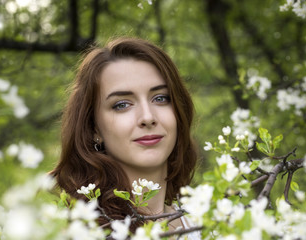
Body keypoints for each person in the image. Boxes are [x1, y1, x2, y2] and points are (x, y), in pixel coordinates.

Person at [50, 37, 199, 238]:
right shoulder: (75, 232)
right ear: (94, 128)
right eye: (122, 104)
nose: (147, 117)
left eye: (161, 98)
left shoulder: (208, 225)